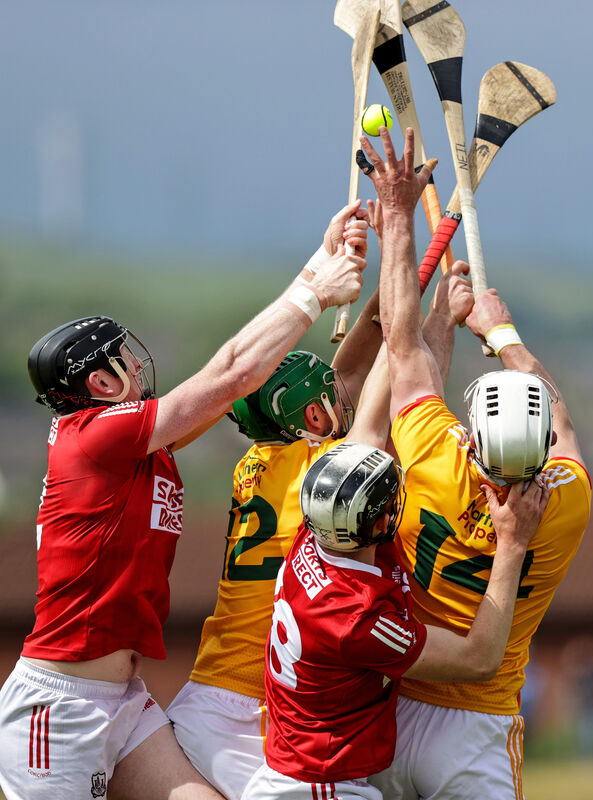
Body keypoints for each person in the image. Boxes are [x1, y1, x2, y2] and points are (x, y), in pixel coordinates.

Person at [0, 204, 368, 800]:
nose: (139, 363)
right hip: (57, 708)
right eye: (124, 356)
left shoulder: (132, 444)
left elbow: (236, 385)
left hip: (123, 701)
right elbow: (227, 374)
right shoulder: (99, 436)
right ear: (99, 382)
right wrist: (314, 292)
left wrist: (322, 261)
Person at [167, 208, 475, 799]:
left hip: (203, 694)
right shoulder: (331, 478)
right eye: (328, 397)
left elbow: (354, 371)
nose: (342, 392)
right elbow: (397, 372)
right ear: (312, 419)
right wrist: (424, 292)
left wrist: (358, 276)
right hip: (254, 715)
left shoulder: (260, 464)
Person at [360, 127, 592, 799]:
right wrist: (501, 332)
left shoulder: (432, 456)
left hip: (390, 709)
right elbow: (564, 423)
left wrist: (398, 223)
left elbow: (401, 346)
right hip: (477, 726)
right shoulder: (565, 503)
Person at [242, 440, 549, 800]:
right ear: (380, 522)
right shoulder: (357, 619)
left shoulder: (313, 537)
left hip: (299, 776)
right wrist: (512, 542)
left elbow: (367, 434)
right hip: (320, 787)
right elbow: (478, 659)